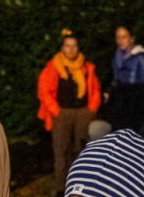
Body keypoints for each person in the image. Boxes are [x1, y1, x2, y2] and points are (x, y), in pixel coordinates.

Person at [37, 31, 102, 186]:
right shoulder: (53, 67)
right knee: (61, 150)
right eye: (68, 46)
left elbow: (96, 89)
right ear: (62, 48)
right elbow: (43, 91)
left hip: (83, 113)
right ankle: (61, 185)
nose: (71, 50)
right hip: (61, 113)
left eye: (74, 46)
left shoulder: (86, 67)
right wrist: (55, 110)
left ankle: (82, 184)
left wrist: (92, 108)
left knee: (82, 149)